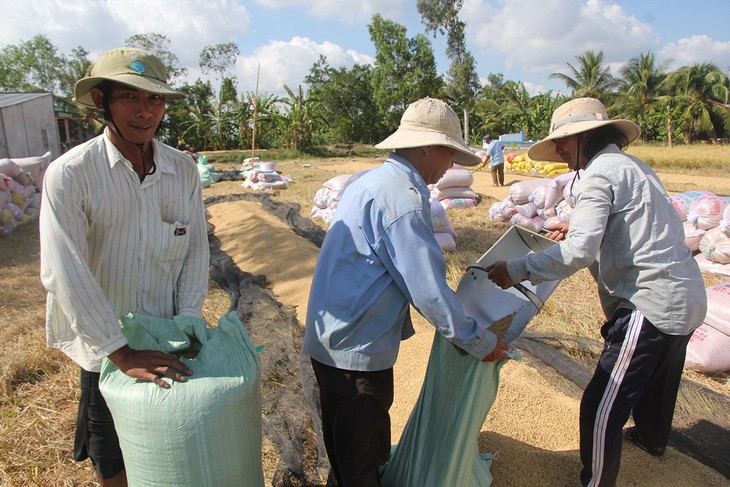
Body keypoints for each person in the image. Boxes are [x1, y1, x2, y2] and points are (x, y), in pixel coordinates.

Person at [485, 97, 706, 487]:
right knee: (660, 378)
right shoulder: (631, 167)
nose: (559, 151)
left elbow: (577, 253)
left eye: (564, 142)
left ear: (584, 137)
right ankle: (652, 438)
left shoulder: (600, 173)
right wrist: (577, 223)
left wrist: (515, 270)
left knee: (601, 407)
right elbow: (632, 220)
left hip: (649, 302)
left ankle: (597, 481)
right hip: (685, 296)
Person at [303, 97, 511, 487]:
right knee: (365, 458)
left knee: (345, 451)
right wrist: (479, 342)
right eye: (449, 152)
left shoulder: (370, 179)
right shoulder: (404, 199)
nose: (451, 163)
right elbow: (427, 291)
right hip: (355, 353)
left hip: (330, 341)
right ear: (428, 146)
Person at [39, 47, 210, 486]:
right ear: (101, 102)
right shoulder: (71, 174)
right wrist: (120, 351)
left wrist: (189, 318)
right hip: (107, 347)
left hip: (166, 335)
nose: (145, 111)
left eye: (155, 99)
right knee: (112, 454)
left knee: (170, 445)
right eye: (130, 97)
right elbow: (66, 271)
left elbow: (194, 249)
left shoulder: (182, 169)